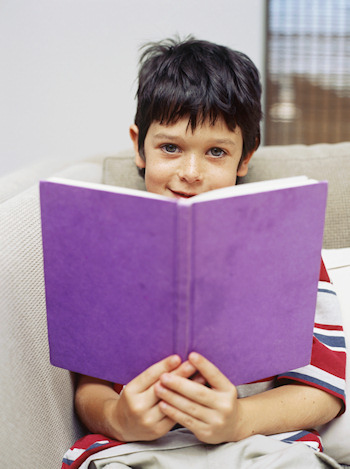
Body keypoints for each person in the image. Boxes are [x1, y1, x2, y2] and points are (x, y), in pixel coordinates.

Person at [62, 38, 346, 468]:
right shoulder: (106, 246)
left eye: (216, 152)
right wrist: (120, 419)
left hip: (259, 446)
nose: (190, 174)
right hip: (136, 451)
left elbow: (322, 391)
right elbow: (89, 389)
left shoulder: (288, 246)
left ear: (245, 156)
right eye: (170, 148)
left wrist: (238, 420)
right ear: (139, 146)